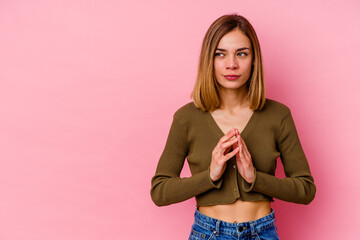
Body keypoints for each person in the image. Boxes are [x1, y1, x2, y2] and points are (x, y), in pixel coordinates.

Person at [150, 14, 316, 240]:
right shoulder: (186, 118)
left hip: (262, 232)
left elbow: (306, 189)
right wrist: (209, 176)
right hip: (208, 232)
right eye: (221, 54)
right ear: (209, 59)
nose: (232, 64)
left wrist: (254, 178)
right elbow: (160, 191)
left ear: (254, 59)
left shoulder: (278, 115)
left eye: (242, 53)